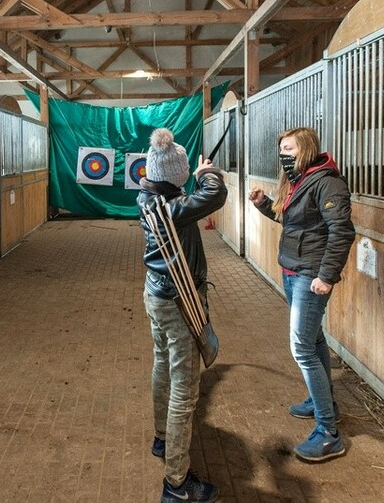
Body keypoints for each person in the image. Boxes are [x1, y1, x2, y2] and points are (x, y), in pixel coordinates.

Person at [248, 126, 355, 462]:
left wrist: (327, 275)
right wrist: (264, 204)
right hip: (294, 270)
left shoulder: (327, 182)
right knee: (314, 339)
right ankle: (323, 402)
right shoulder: (298, 180)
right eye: (281, 149)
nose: (284, 154)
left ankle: (328, 432)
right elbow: (294, 222)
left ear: (306, 149)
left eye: (289, 149)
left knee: (302, 347)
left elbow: (342, 231)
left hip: (311, 274)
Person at [137, 128, 227, 503]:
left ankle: (162, 437)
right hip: (178, 302)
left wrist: (192, 178)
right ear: (177, 175)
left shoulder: (150, 196)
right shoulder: (170, 209)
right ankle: (177, 484)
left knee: (162, 363)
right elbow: (215, 194)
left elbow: (193, 198)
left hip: (157, 295)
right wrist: (206, 173)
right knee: (185, 394)